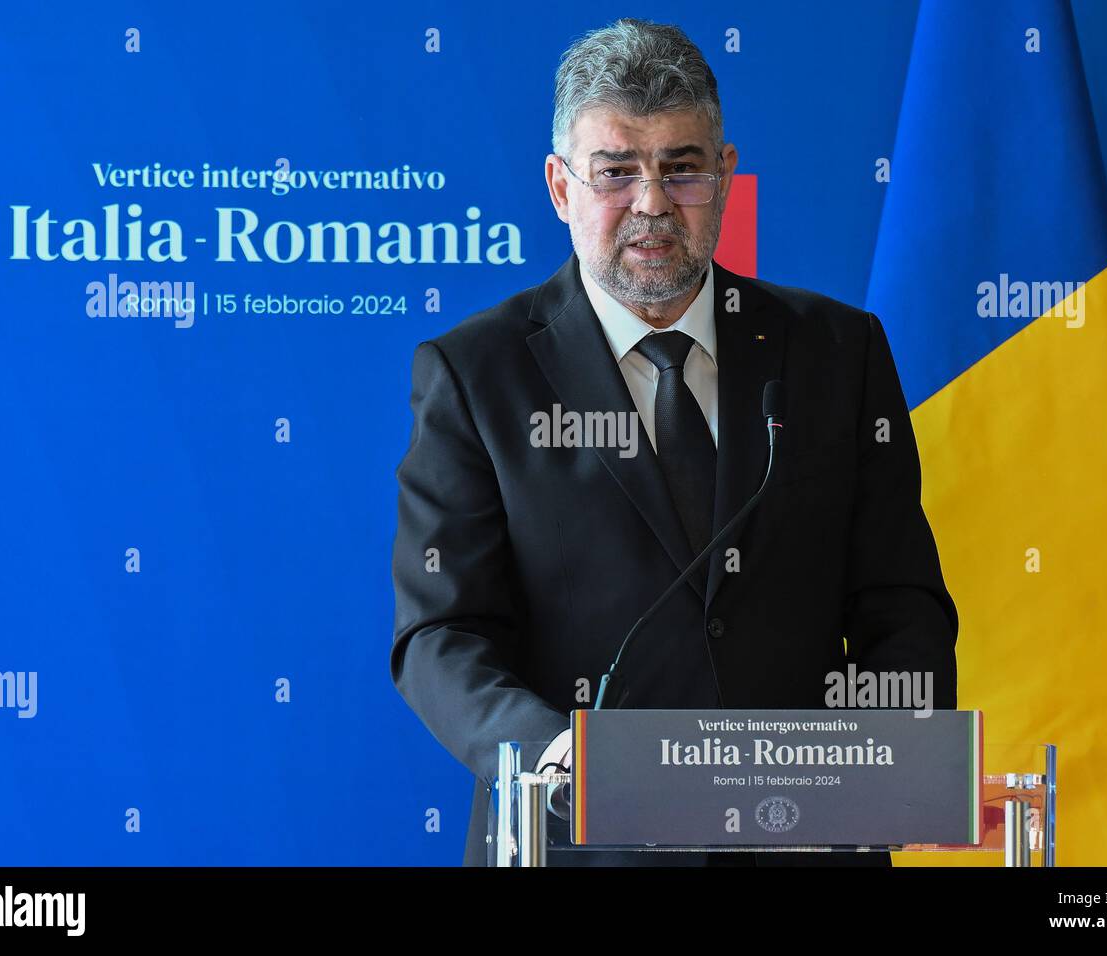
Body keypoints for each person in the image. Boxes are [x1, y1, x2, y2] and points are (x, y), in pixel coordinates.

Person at [390, 17, 958, 867]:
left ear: (724, 178)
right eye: (617, 171)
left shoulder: (838, 353)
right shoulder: (478, 373)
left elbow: (900, 605)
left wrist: (885, 761)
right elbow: (440, 636)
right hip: (575, 843)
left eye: (680, 168)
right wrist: (552, 755)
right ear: (560, 187)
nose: (651, 202)